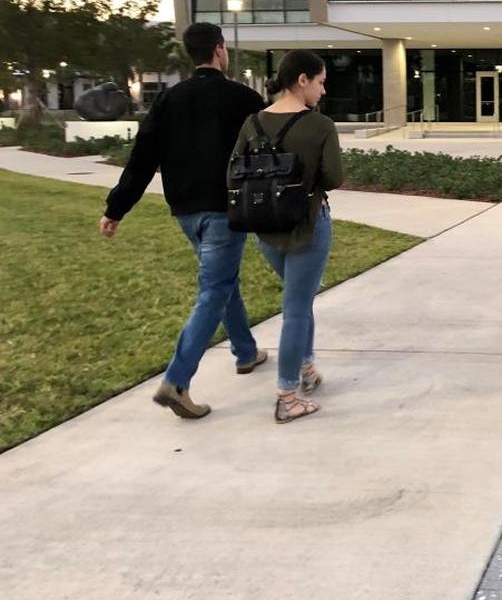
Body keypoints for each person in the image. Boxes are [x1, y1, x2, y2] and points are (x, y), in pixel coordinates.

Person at [100, 22, 267, 419]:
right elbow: (267, 150)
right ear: (220, 50)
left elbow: (142, 159)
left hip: (185, 212)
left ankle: (245, 353)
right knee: (216, 288)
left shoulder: (169, 100)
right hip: (225, 210)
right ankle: (176, 382)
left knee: (222, 281)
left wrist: (115, 209)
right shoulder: (243, 98)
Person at [232, 50, 343, 423]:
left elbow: (233, 173)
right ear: (302, 80)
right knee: (296, 307)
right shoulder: (320, 125)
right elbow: (333, 179)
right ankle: (286, 396)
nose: (323, 90)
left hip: (266, 226)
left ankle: (307, 367)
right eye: (321, 81)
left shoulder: (253, 123)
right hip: (308, 224)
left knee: (300, 299)